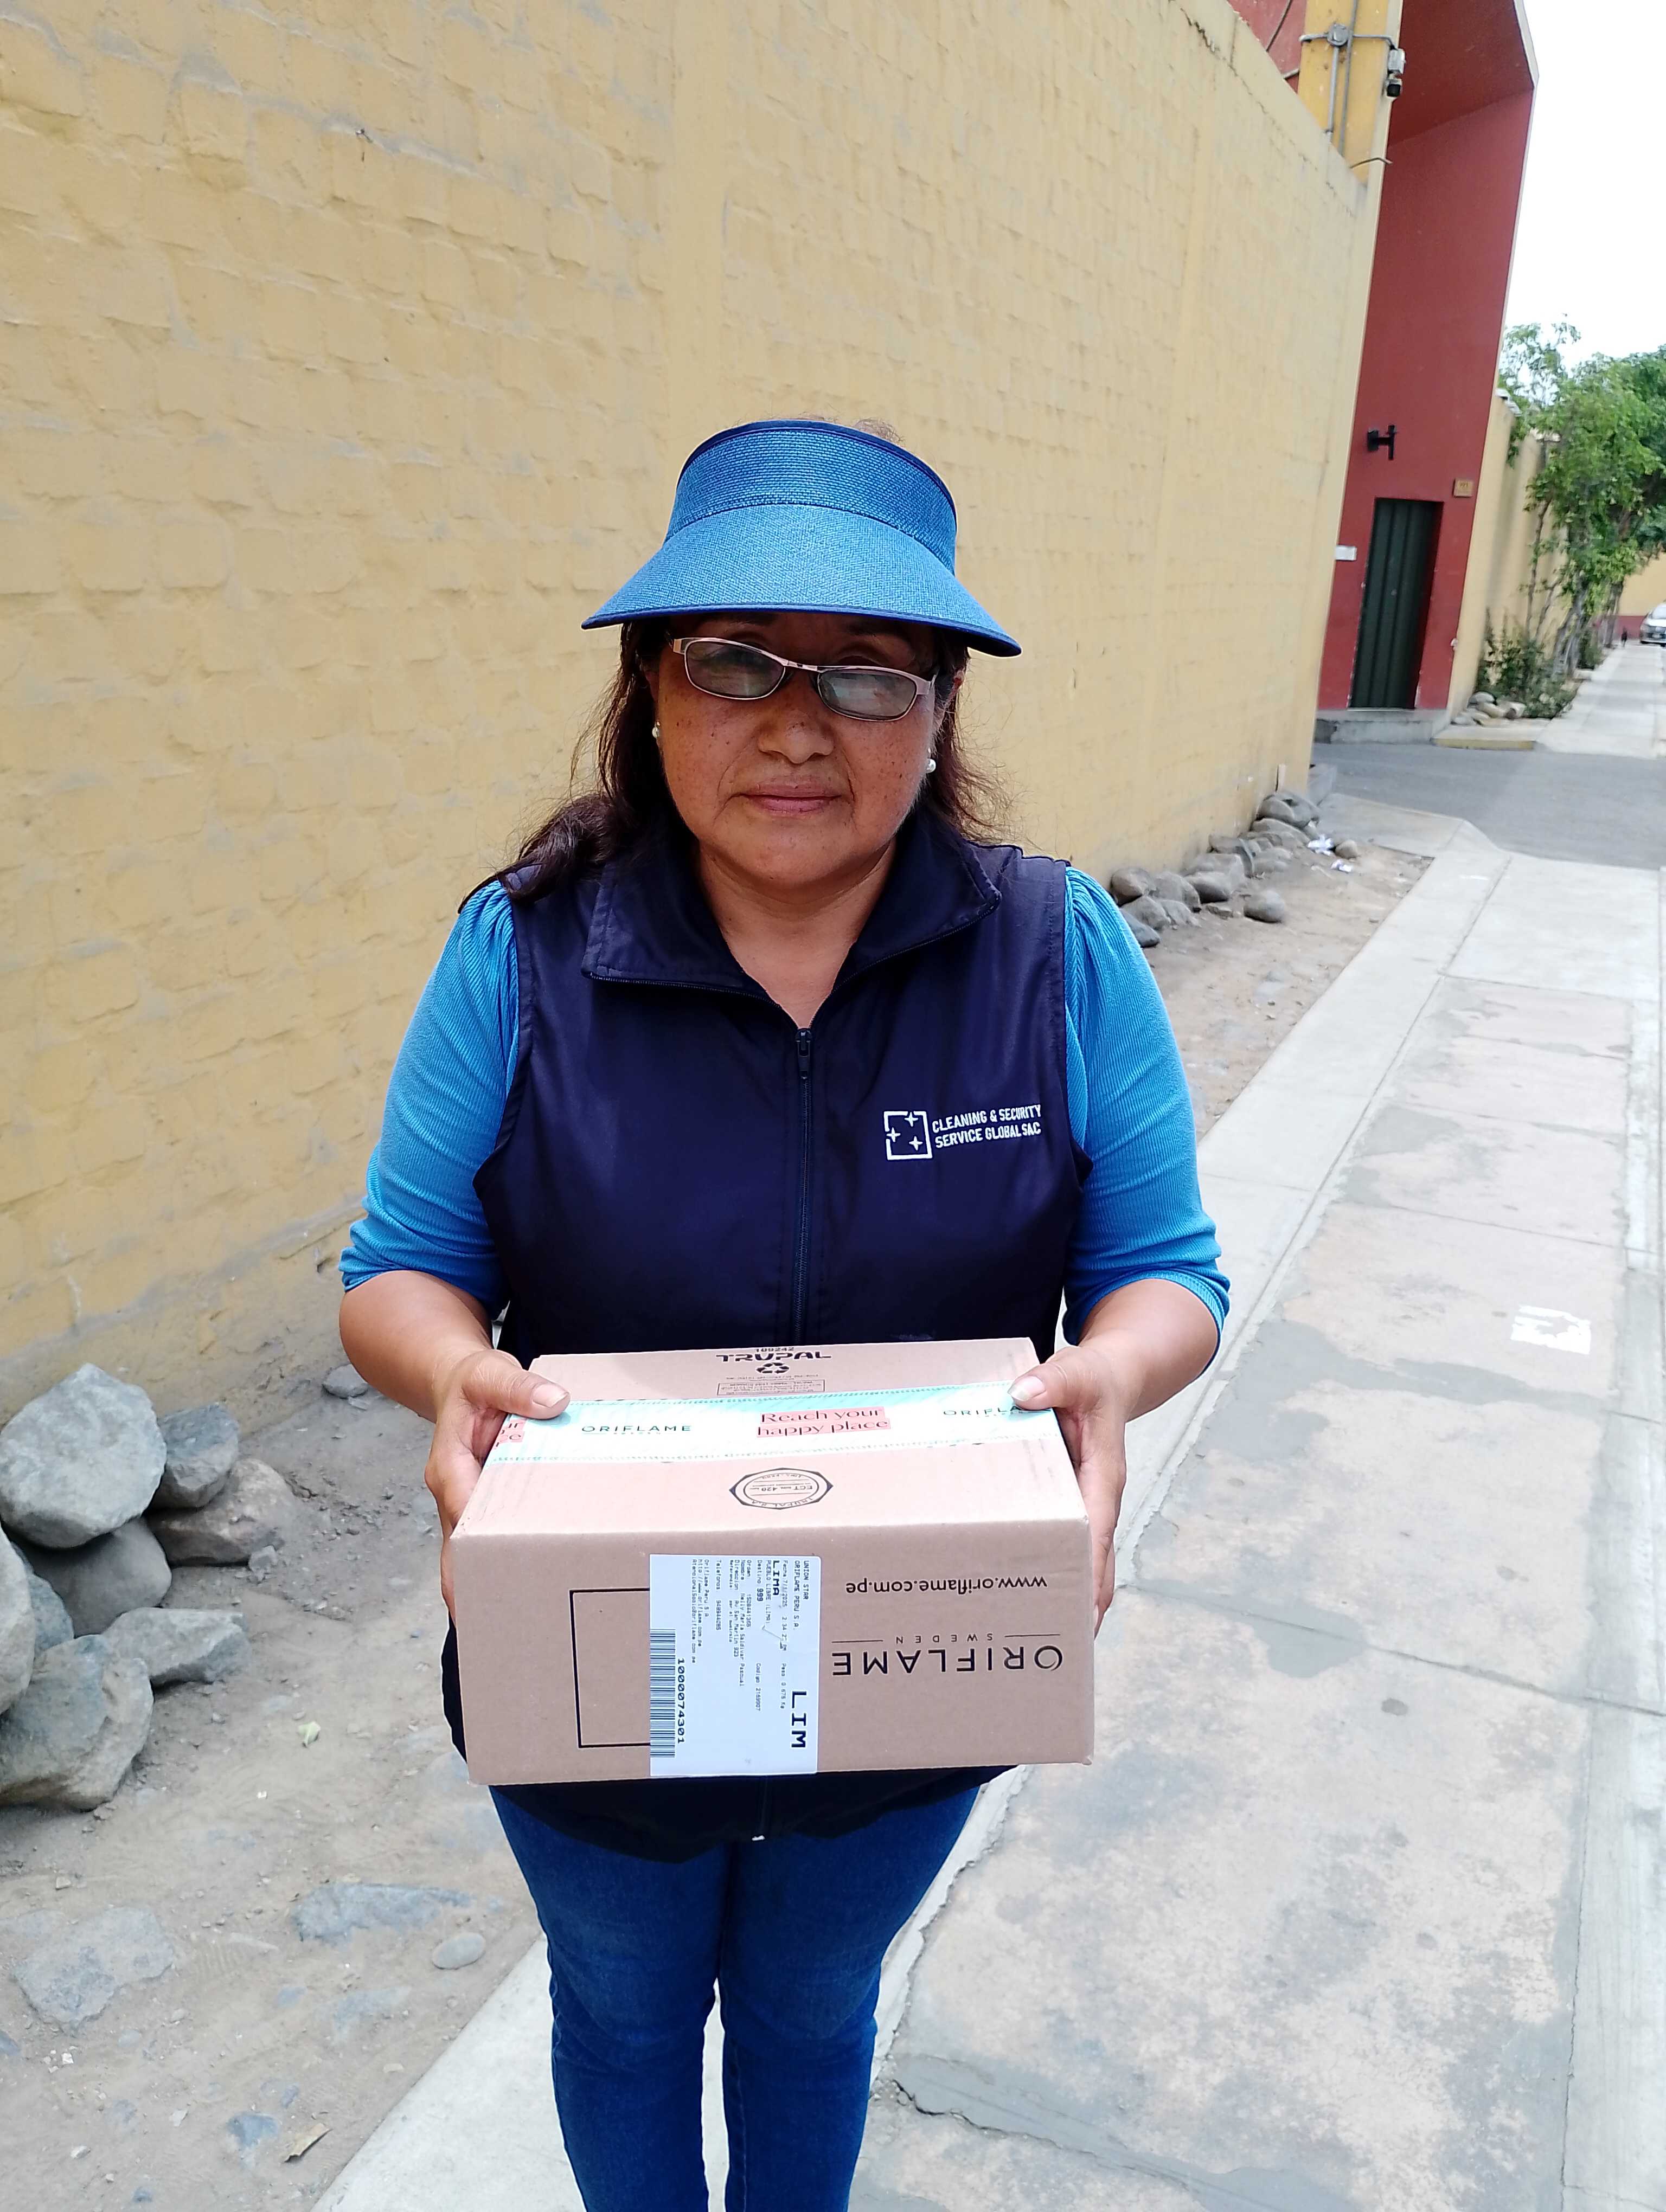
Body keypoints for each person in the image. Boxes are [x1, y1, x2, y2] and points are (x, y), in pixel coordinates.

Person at [338, 417, 1227, 2211]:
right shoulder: (523, 950)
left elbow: (1167, 1271)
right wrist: (451, 1370)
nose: (798, 724)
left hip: (912, 1647)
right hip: (597, 1641)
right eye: (736, 663)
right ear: (652, 695)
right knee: (622, 2011)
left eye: (869, 673)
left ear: (941, 713)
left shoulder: (1056, 952)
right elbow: (398, 1269)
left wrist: (1111, 1374)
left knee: (818, 2011)